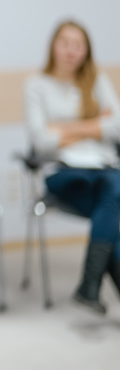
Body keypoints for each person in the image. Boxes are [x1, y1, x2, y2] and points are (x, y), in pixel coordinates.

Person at [23, 20, 120, 315]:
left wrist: (64, 128)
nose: (71, 51)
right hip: (62, 172)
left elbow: (116, 127)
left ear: (87, 50)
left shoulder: (97, 81)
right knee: (115, 202)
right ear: (54, 45)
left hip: (103, 168)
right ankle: (88, 287)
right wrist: (94, 125)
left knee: (113, 193)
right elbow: (41, 141)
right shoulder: (37, 85)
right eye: (65, 43)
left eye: (78, 45)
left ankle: (89, 287)